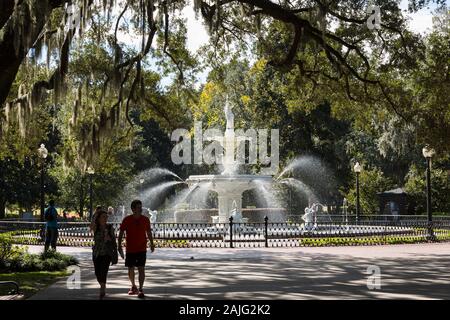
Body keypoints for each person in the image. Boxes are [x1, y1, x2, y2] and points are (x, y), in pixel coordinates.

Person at [118, 199, 155, 298]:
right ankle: (133, 286)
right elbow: (121, 234)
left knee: (141, 268)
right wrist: (119, 246)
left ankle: (141, 289)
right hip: (130, 248)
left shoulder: (145, 219)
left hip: (142, 248)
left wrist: (152, 243)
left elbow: (149, 232)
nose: (140, 209)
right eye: (138, 207)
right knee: (131, 269)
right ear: (133, 209)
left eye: (141, 207)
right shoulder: (127, 220)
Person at [90, 209, 118, 299]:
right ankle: (102, 284)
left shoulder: (109, 227)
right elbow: (91, 225)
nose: (105, 218)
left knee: (103, 271)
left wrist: (110, 239)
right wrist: (96, 214)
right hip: (97, 253)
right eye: (103, 217)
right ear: (99, 219)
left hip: (107, 253)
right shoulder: (96, 227)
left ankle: (102, 288)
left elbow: (114, 240)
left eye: (106, 217)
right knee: (97, 273)